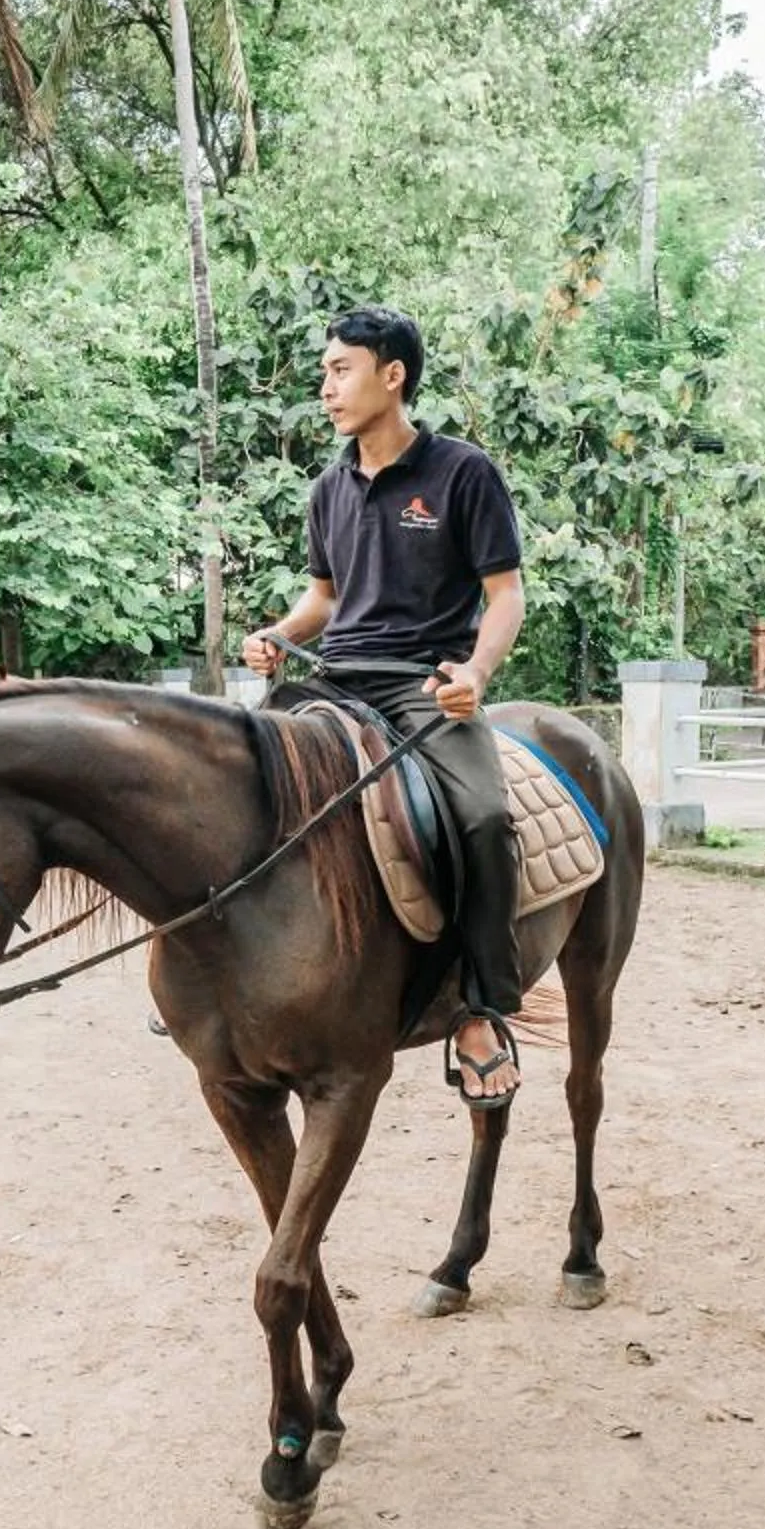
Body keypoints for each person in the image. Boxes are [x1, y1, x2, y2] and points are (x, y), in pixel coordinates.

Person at [243, 305, 528, 1110]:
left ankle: (481, 1008)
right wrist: (277, 632)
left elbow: (504, 593)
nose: (326, 386)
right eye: (326, 371)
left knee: (478, 817)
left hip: (422, 684)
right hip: (332, 679)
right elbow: (324, 600)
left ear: (391, 374)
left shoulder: (463, 472)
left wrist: (474, 670)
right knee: (234, 782)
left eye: (341, 369)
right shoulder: (329, 486)